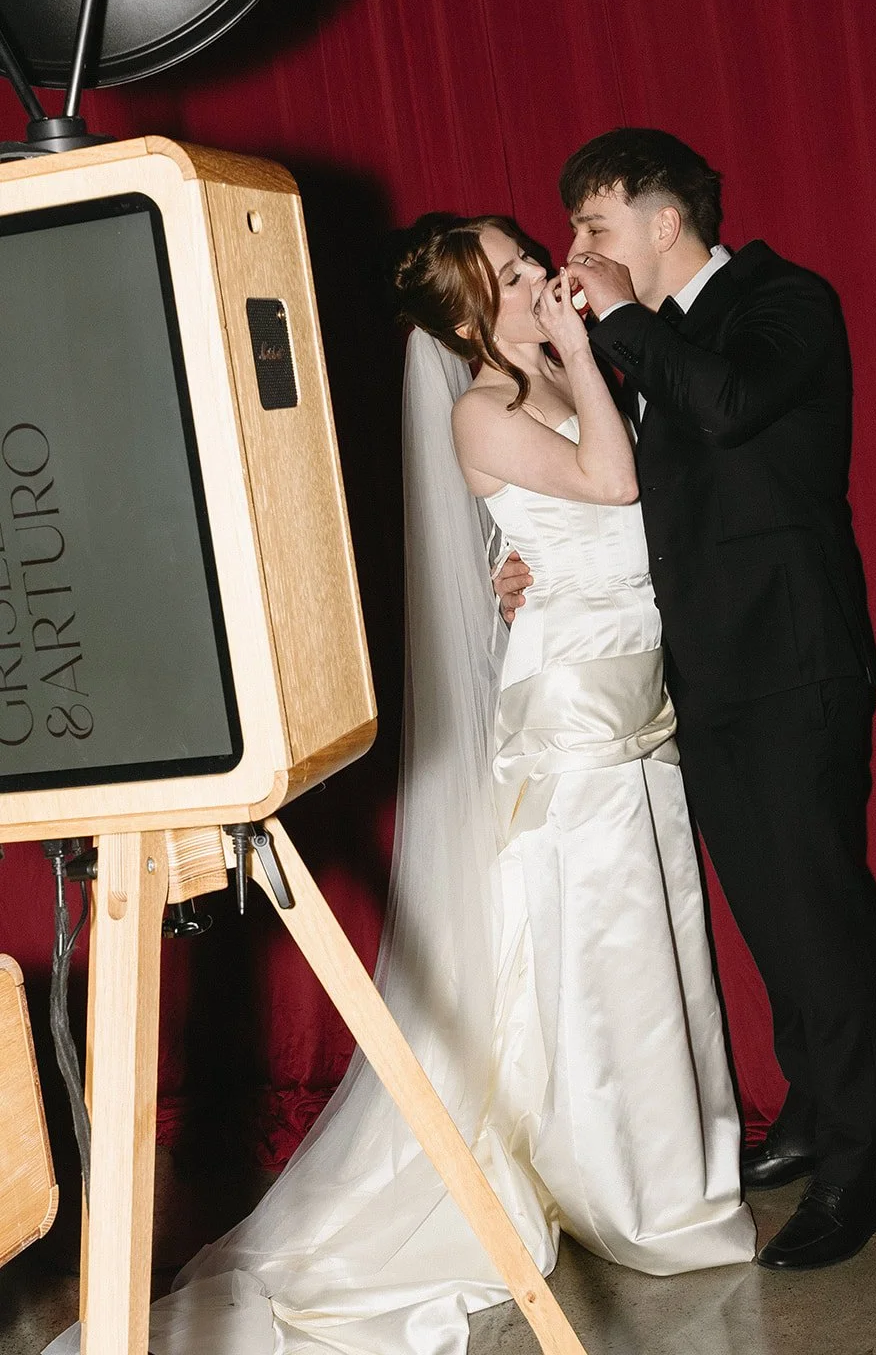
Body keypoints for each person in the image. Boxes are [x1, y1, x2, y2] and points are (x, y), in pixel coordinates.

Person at [46, 210, 752, 1355]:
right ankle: (634, 1190)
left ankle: (661, 1161)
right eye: (519, 273)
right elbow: (613, 486)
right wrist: (581, 346)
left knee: (653, 925)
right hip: (571, 716)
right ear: (470, 316)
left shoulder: (546, 383)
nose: (543, 275)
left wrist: (524, 527)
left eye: (535, 261)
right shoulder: (484, 407)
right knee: (604, 939)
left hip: (630, 693)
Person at [496, 130, 876, 1271]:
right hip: (702, 673)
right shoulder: (654, 349)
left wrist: (620, 321)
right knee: (773, 915)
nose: (575, 248)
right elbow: (637, 497)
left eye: (591, 223)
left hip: (790, 659)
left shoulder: (781, 301)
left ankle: (866, 1172)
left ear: (662, 219)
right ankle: (821, 1115)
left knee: (818, 912)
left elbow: (728, 411)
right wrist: (546, 561)